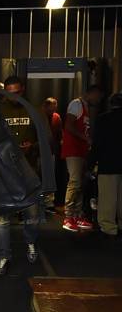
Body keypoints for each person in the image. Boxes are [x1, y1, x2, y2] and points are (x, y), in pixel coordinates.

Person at [0, 75, 40, 275]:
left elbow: (45, 140)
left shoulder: (33, 109)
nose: (13, 96)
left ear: (22, 90)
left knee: (32, 215)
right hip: (4, 172)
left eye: (16, 92)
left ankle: (30, 243)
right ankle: (4, 256)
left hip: (28, 172)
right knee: (2, 220)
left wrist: (33, 146)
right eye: (9, 92)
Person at [61, 85, 103, 232]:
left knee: (80, 183)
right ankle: (68, 216)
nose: (98, 100)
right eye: (98, 97)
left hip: (82, 150)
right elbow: (68, 126)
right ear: (92, 93)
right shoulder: (76, 104)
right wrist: (86, 138)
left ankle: (77, 215)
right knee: (74, 181)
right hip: (73, 149)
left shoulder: (87, 107)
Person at [88, 92, 122, 236]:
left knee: (108, 198)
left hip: (108, 163)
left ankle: (109, 227)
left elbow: (97, 144)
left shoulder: (103, 119)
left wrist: (90, 164)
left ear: (110, 104)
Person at [41, 97, 63, 210]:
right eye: (50, 110)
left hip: (51, 150)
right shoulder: (39, 116)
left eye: (54, 109)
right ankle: (39, 200)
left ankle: (49, 201)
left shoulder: (56, 117)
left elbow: (59, 134)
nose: (52, 112)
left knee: (50, 175)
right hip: (39, 151)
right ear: (45, 107)